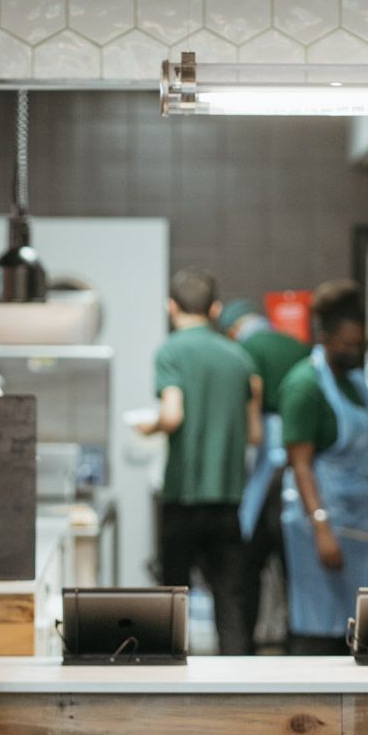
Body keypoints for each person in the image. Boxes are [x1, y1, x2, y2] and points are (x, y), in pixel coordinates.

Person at [139, 270, 262, 654]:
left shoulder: (171, 350)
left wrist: (150, 426)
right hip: (227, 500)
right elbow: (255, 433)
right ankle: (237, 690)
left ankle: (168, 685)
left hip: (184, 496)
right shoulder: (241, 357)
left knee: (174, 600)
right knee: (230, 600)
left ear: (170, 307)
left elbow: (172, 415)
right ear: (215, 309)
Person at [278, 280, 368, 654]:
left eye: (360, 344)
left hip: (356, 517)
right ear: (324, 337)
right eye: (347, 345)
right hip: (317, 519)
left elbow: (363, 465)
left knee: (354, 626)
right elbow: (300, 465)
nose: (354, 351)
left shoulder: (357, 384)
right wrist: (321, 525)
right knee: (318, 624)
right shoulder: (304, 385)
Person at [218, 298, 308, 648]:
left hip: (262, 470)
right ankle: (297, 647)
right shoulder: (298, 347)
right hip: (300, 467)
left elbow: (249, 421)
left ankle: (245, 648)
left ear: (232, 328)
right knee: (294, 571)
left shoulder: (241, 352)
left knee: (247, 568)